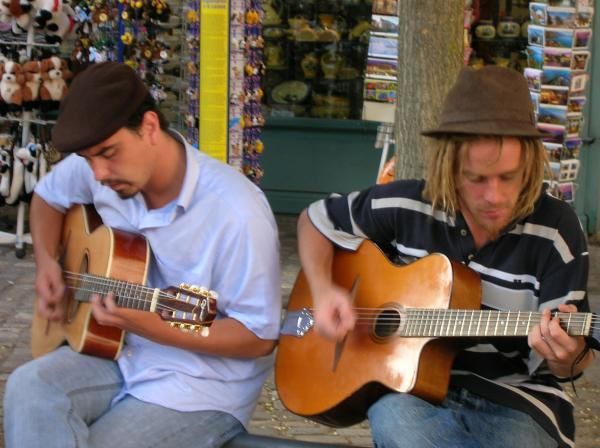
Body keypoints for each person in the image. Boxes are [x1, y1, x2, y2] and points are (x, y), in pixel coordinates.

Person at [296, 65, 595, 448]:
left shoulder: (557, 228)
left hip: (520, 400)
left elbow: (570, 363)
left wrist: (565, 356)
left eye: (509, 177)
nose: (494, 197)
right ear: (449, 167)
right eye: (477, 178)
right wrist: (323, 291)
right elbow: (314, 221)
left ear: (531, 164)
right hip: (416, 389)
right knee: (395, 419)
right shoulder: (407, 203)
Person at [3, 62, 281, 448]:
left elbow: (257, 336)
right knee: (30, 386)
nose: (97, 173)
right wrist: (48, 262)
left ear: (150, 127)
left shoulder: (236, 212)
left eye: (108, 154)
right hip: (118, 352)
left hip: (200, 385)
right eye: (88, 160)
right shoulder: (101, 169)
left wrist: (147, 324)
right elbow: (47, 198)